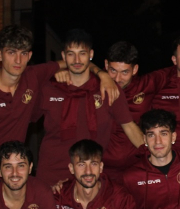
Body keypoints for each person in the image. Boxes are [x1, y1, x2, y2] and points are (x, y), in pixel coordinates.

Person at [0, 25, 117, 187]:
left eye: (23, 53)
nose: (18, 60)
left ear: (29, 55)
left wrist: (102, 75)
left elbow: (75, 61)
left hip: (15, 172)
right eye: (11, 53)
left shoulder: (33, 76)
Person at [97, 41, 180, 180]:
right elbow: (80, 65)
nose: (117, 78)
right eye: (113, 71)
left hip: (136, 167)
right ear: (106, 65)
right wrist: (100, 74)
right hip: (100, 168)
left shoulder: (146, 84)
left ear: (135, 69)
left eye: (125, 72)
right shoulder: (94, 85)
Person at [34, 29, 143, 186]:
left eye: (82, 53)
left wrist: (157, 158)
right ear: (63, 56)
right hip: (51, 177)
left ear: (91, 55)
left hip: (90, 178)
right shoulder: (49, 88)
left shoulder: (108, 89)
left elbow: (130, 127)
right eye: (71, 54)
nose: (77, 60)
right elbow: (20, 120)